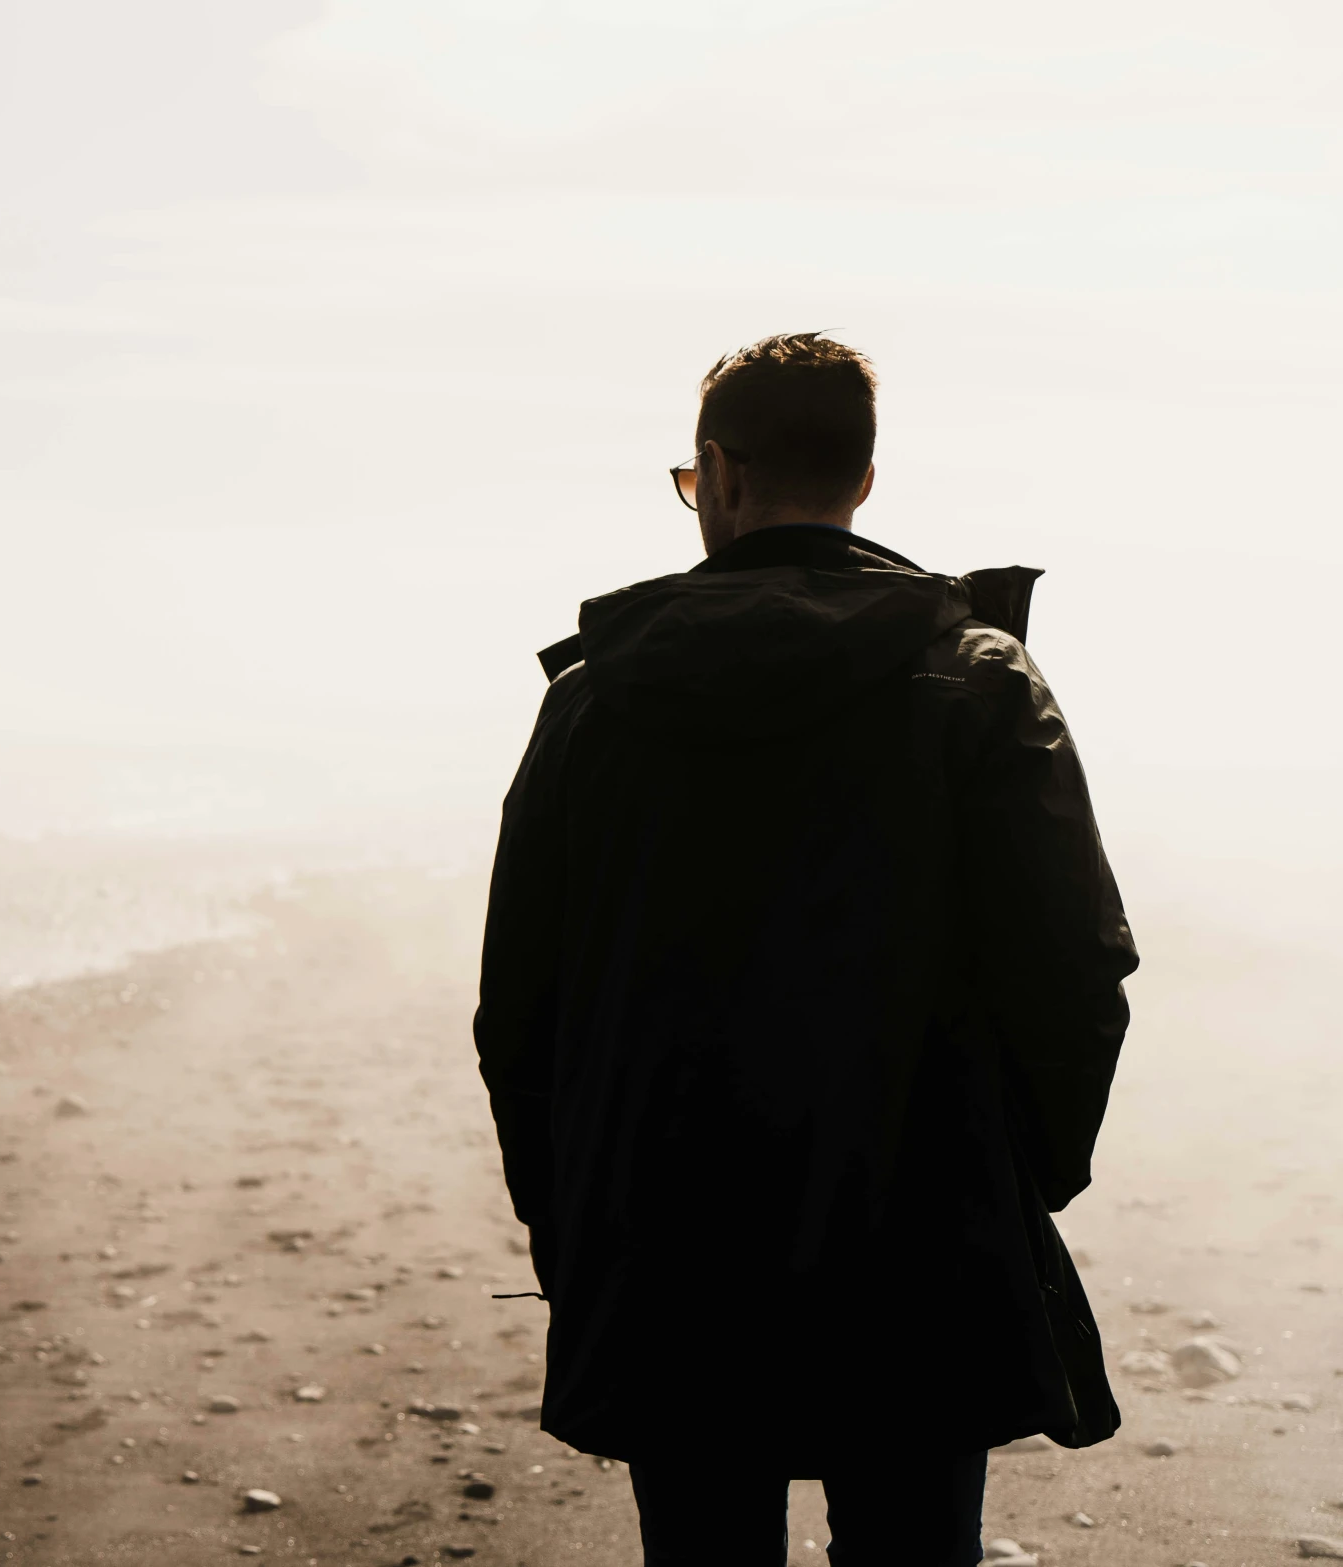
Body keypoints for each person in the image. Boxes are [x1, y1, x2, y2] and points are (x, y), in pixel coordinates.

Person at [473, 333, 1138, 1567]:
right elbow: (1077, 972)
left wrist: (566, 1218)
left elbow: (520, 1005)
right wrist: (1019, 1177)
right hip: (923, 1225)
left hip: (667, 1234)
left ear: (717, 474)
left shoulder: (596, 700)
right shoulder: (976, 678)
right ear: (863, 483)